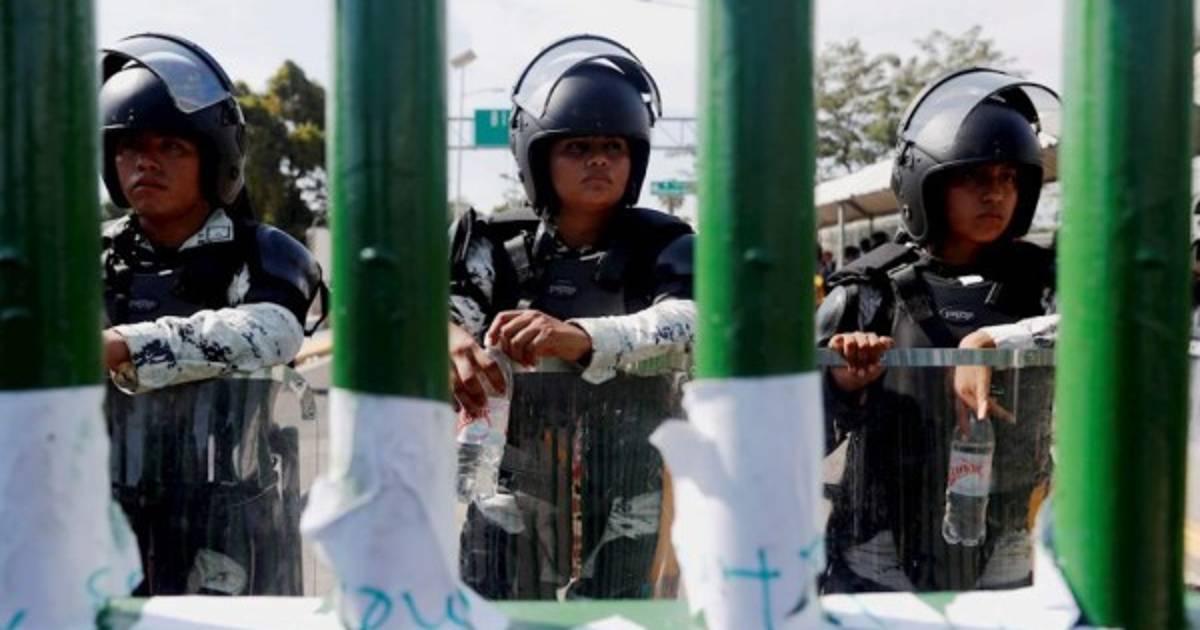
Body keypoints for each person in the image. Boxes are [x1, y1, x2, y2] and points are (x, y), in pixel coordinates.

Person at [448, 34, 694, 600]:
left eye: (613, 146)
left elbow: (692, 320)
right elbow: (438, 312)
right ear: (538, 156)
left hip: (633, 490)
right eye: (577, 147)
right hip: (512, 484)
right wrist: (446, 334)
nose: (598, 159)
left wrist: (583, 337)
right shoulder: (492, 247)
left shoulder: (667, 245)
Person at [817, 68, 1059, 593]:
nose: (995, 194)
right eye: (974, 177)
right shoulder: (868, 292)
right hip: (879, 546)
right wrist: (840, 384)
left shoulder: (1047, 285)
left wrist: (992, 342)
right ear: (926, 182)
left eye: (1007, 177)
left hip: (1007, 539)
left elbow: (1105, 331)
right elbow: (794, 437)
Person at [98, 33, 325, 595]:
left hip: (228, 528)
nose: (146, 161)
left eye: (171, 146)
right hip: (98, 519)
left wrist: (124, 345)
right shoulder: (84, 256)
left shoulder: (264, 251)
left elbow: (272, 331)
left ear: (213, 156)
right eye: (129, 146)